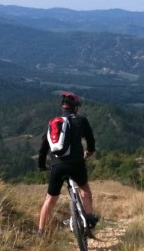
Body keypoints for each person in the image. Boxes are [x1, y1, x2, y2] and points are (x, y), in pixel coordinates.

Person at [37, 92, 98, 234]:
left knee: (50, 199)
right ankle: (88, 221)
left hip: (57, 165)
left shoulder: (54, 123)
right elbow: (90, 140)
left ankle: (41, 231)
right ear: (75, 108)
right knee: (84, 190)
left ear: (63, 108)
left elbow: (43, 148)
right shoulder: (81, 120)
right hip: (76, 163)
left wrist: (41, 165)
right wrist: (89, 152)